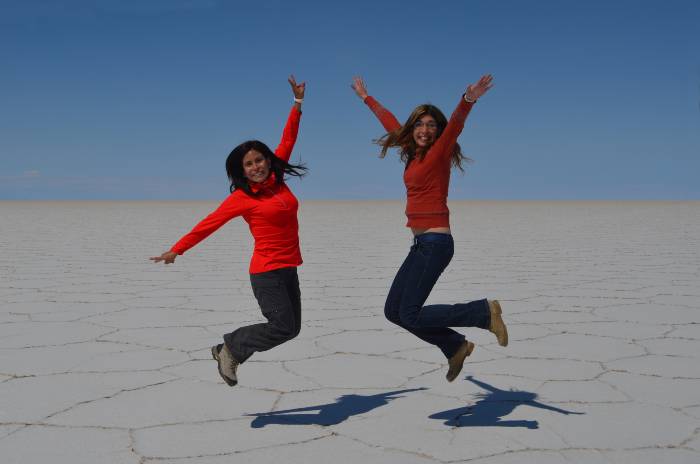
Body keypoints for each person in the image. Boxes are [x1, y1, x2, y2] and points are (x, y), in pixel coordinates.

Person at [151, 76, 308, 387]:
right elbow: (208, 224)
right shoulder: (242, 198)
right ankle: (231, 348)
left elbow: (288, 139)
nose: (256, 166)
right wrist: (177, 249)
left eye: (259, 160)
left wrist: (298, 104)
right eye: (248, 164)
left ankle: (229, 348)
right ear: (241, 170)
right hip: (267, 272)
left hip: (288, 268)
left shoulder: (276, 178)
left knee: (291, 329)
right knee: (281, 326)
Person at [351, 74, 508, 382]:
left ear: (438, 132)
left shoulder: (439, 153)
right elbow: (390, 123)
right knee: (394, 312)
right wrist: (365, 98)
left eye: (431, 125)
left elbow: (457, 124)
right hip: (422, 245)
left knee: (410, 313)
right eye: (419, 124)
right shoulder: (412, 153)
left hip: (436, 243)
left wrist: (468, 99)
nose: (424, 130)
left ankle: (482, 312)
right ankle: (455, 346)